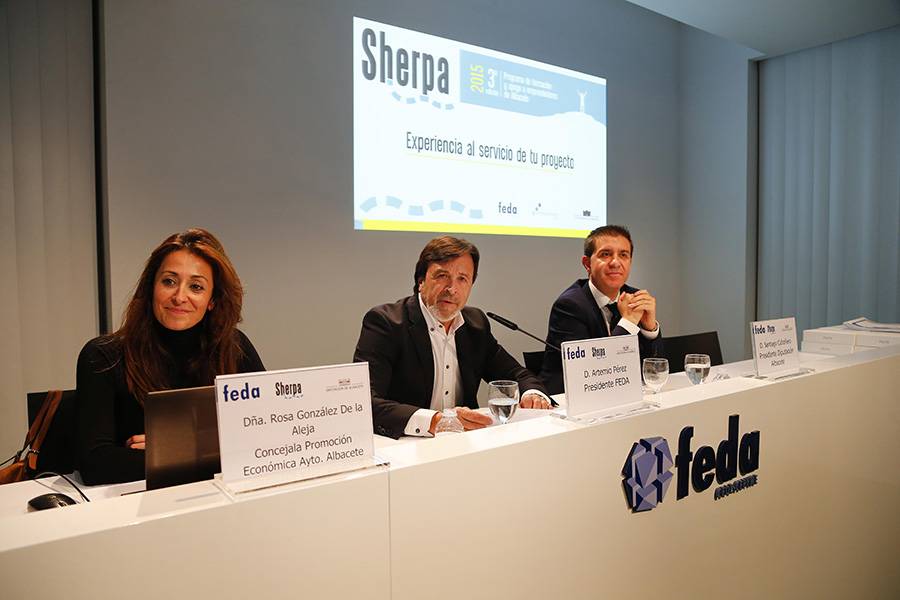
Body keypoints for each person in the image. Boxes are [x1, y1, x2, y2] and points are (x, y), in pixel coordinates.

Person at [75, 228, 264, 485]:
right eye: (169, 282)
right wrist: (217, 450)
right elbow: (95, 465)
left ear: (212, 300)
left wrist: (176, 449)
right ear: (151, 287)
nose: (179, 297)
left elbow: (267, 435)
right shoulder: (103, 356)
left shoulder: (234, 347)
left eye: (196, 287)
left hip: (218, 495)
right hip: (129, 502)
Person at [353, 236, 551, 439]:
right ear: (421, 281)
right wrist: (437, 422)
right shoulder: (386, 323)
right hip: (406, 444)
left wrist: (532, 394)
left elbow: (517, 375)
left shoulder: (475, 325)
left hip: (463, 443)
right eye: (442, 276)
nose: (452, 289)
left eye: (462, 279)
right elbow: (364, 402)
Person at [541, 225, 663, 395]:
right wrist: (628, 323)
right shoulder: (569, 306)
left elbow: (656, 371)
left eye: (623, 255)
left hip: (621, 395)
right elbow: (597, 374)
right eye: (606, 254)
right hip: (569, 399)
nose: (615, 262)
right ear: (587, 264)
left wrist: (649, 329)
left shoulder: (634, 298)